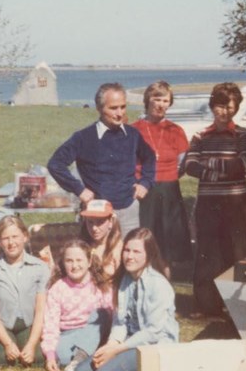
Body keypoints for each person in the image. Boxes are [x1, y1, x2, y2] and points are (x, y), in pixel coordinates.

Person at [73, 228, 179, 371]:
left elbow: (153, 332)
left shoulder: (159, 285)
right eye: (127, 250)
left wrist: (117, 350)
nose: (130, 256)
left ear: (149, 255)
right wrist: (111, 345)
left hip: (154, 346)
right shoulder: (124, 280)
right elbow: (120, 322)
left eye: (137, 252)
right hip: (129, 341)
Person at [48, 82, 156, 236]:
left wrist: (145, 183)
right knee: (96, 257)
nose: (120, 113)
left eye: (123, 107)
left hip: (128, 209)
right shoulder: (83, 137)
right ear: (99, 108)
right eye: (113, 108)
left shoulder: (133, 135)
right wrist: (79, 189)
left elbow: (150, 157)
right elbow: (55, 164)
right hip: (97, 212)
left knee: (129, 255)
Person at [184, 82, 246, 317]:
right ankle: (205, 304)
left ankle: (234, 305)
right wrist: (220, 168)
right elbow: (190, 166)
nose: (225, 112)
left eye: (230, 107)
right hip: (208, 203)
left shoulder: (243, 134)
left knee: (236, 252)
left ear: (237, 108)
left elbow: (242, 165)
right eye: (220, 106)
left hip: (236, 204)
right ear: (213, 106)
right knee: (207, 252)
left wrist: (209, 165)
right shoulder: (200, 135)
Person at [131, 80, 193, 273]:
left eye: (165, 100)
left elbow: (183, 164)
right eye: (157, 98)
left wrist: (167, 175)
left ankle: (165, 291)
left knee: (166, 248)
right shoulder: (134, 130)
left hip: (169, 193)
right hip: (143, 192)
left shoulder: (175, 131)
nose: (161, 104)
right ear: (147, 100)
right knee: (143, 241)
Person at [0, 216, 49, 367]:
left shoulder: (40, 267)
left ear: (25, 237)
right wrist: (8, 344)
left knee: (38, 357)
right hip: (1, 324)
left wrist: (32, 344)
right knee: (4, 358)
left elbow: (41, 310)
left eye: (15, 236)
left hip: (28, 324)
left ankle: (24, 343)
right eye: (5, 238)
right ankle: (6, 342)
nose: (11, 242)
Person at [41, 240, 113, 371]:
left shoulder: (100, 286)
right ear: (63, 263)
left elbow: (112, 318)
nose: (75, 266)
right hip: (68, 339)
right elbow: (50, 325)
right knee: (62, 355)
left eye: (79, 260)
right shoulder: (57, 289)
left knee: (101, 314)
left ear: (89, 262)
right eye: (69, 261)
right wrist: (50, 355)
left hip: (95, 334)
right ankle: (83, 358)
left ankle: (80, 359)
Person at [78, 200, 123, 278]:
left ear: (111, 222)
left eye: (100, 222)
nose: (94, 228)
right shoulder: (82, 245)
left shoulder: (118, 249)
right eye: (90, 222)